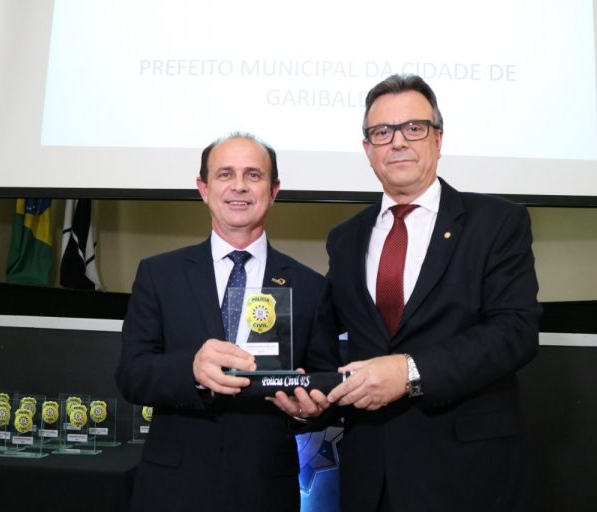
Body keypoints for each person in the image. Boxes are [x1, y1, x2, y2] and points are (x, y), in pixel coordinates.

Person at [325, 74, 542, 512]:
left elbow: (515, 332)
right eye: (382, 132)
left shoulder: (497, 222)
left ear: (438, 139)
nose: (397, 142)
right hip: (371, 476)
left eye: (414, 128)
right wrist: (302, 390)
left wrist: (410, 371)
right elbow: (329, 338)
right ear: (368, 150)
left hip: (466, 473)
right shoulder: (345, 238)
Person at [116, 133, 340, 512]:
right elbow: (131, 374)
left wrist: (310, 411)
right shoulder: (159, 274)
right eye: (225, 174)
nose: (239, 185)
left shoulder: (310, 287)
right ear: (203, 188)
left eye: (253, 175)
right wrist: (192, 370)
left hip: (264, 489)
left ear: (273, 190)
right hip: (172, 489)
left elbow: (326, 385)